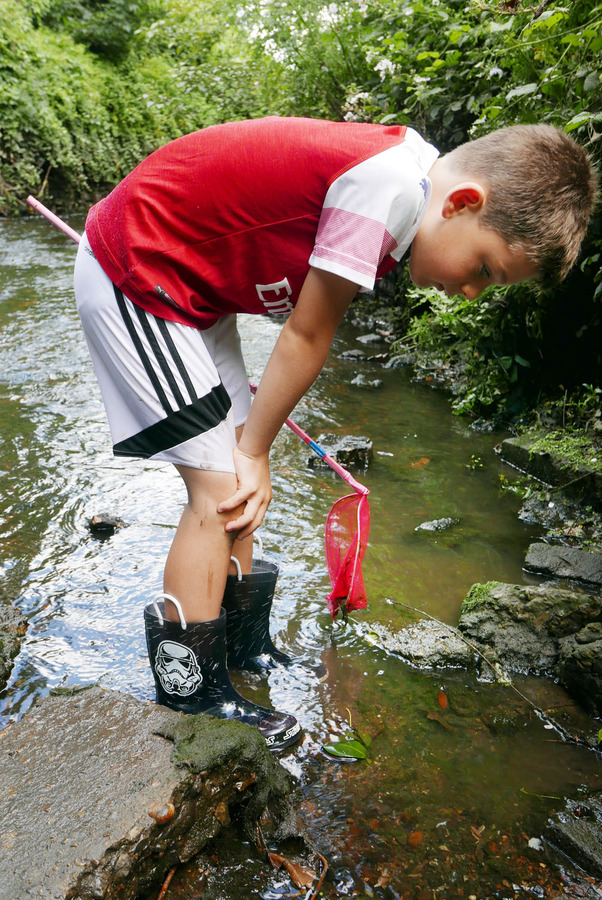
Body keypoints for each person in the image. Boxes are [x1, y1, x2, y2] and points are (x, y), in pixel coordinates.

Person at [73, 116, 597, 751]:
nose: (469, 292)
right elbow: (307, 334)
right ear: (462, 204)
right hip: (137, 271)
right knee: (217, 488)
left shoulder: (409, 185)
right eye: (484, 269)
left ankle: (244, 652)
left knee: (241, 484)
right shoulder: (391, 189)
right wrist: (254, 448)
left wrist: (252, 452)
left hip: (193, 291)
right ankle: (194, 696)